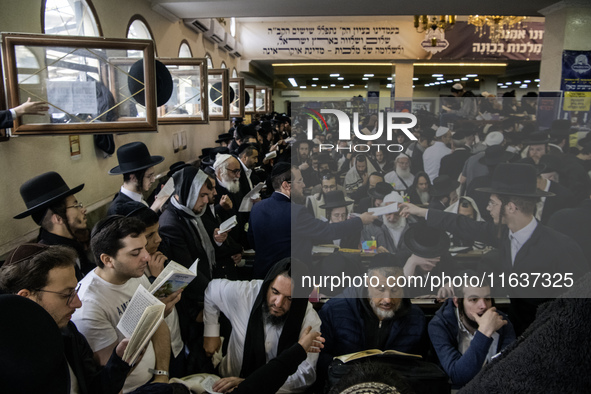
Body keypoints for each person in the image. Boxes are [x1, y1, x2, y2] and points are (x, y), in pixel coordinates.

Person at [400, 163, 589, 334]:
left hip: (548, 338)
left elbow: (577, 306)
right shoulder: (504, 235)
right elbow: (464, 225)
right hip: (518, 332)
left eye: (492, 203)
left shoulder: (561, 247)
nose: (488, 208)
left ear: (511, 207)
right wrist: (421, 212)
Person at [0, 243, 131, 394]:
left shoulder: (68, 330)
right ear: (27, 297)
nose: (78, 303)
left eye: (75, 291)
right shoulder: (8, 362)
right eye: (66, 295)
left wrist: (120, 360)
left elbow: (93, 387)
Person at [72, 216, 182, 393]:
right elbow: (111, 374)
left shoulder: (134, 274)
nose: (146, 257)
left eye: (144, 247)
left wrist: (161, 374)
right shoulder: (89, 304)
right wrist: (154, 317)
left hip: (155, 378)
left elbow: (159, 327)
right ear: (108, 260)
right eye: (135, 252)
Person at [203, 258, 322, 393]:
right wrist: (211, 333)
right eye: (275, 292)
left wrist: (253, 384)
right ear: (268, 285)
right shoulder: (246, 293)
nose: (278, 303)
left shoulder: (309, 320)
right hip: (224, 383)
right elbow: (212, 289)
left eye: (289, 298)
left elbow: (304, 376)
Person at [249, 163, 375, 279]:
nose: (303, 185)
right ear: (286, 185)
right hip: (290, 280)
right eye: (299, 181)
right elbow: (328, 231)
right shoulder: (296, 212)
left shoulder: (257, 208)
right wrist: (360, 220)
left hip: (262, 277)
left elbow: (252, 242)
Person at [317, 253, 426, 387]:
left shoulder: (415, 317)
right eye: (380, 289)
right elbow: (320, 359)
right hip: (347, 386)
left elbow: (423, 365)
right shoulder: (335, 310)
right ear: (368, 283)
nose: (388, 299)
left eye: (395, 290)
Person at [428, 272, 516, 388]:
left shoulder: (502, 322)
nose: (484, 306)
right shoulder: (439, 325)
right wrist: (484, 333)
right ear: (457, 302)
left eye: (487, 298)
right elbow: (458, 377)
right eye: (474, 299)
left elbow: (509, 369)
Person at [14, 171, 94, 280]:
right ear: (58, 218)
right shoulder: (49, 261)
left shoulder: (72, 243)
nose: (83, 209)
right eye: (76, 205)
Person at [107, 142, 165, 215]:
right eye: (149, 176)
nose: (153, 180)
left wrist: (160, 205)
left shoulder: (138, 197)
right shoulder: (118, 210)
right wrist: (154, 208)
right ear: (133, 178)